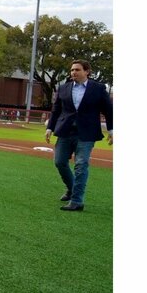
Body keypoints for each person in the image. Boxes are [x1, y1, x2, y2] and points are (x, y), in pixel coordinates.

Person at [45, 59, 113, 211]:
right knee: (59, 162)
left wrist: (111, 130)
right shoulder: (63, 88)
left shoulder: (98, 88)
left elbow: (109, 110)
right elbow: (56, 110)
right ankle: (71, 188)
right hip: (65, 131)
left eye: (77, 70)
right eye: (72, 70)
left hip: (87, 132)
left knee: (81, 164)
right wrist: (50, 128)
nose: (73, 72)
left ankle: (77, 201)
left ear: (86, 71)